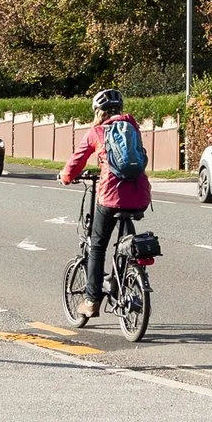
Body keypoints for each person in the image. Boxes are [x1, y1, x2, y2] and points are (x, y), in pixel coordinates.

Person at [61, 88, 152, 320]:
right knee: (127, 241)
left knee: (97, 245)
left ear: (98, 111)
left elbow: (76, 161)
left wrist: (65, 177)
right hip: (140, 195)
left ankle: (91, 300)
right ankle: (127, 273)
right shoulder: (133, 127)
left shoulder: (97, 132)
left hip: (111, 196)